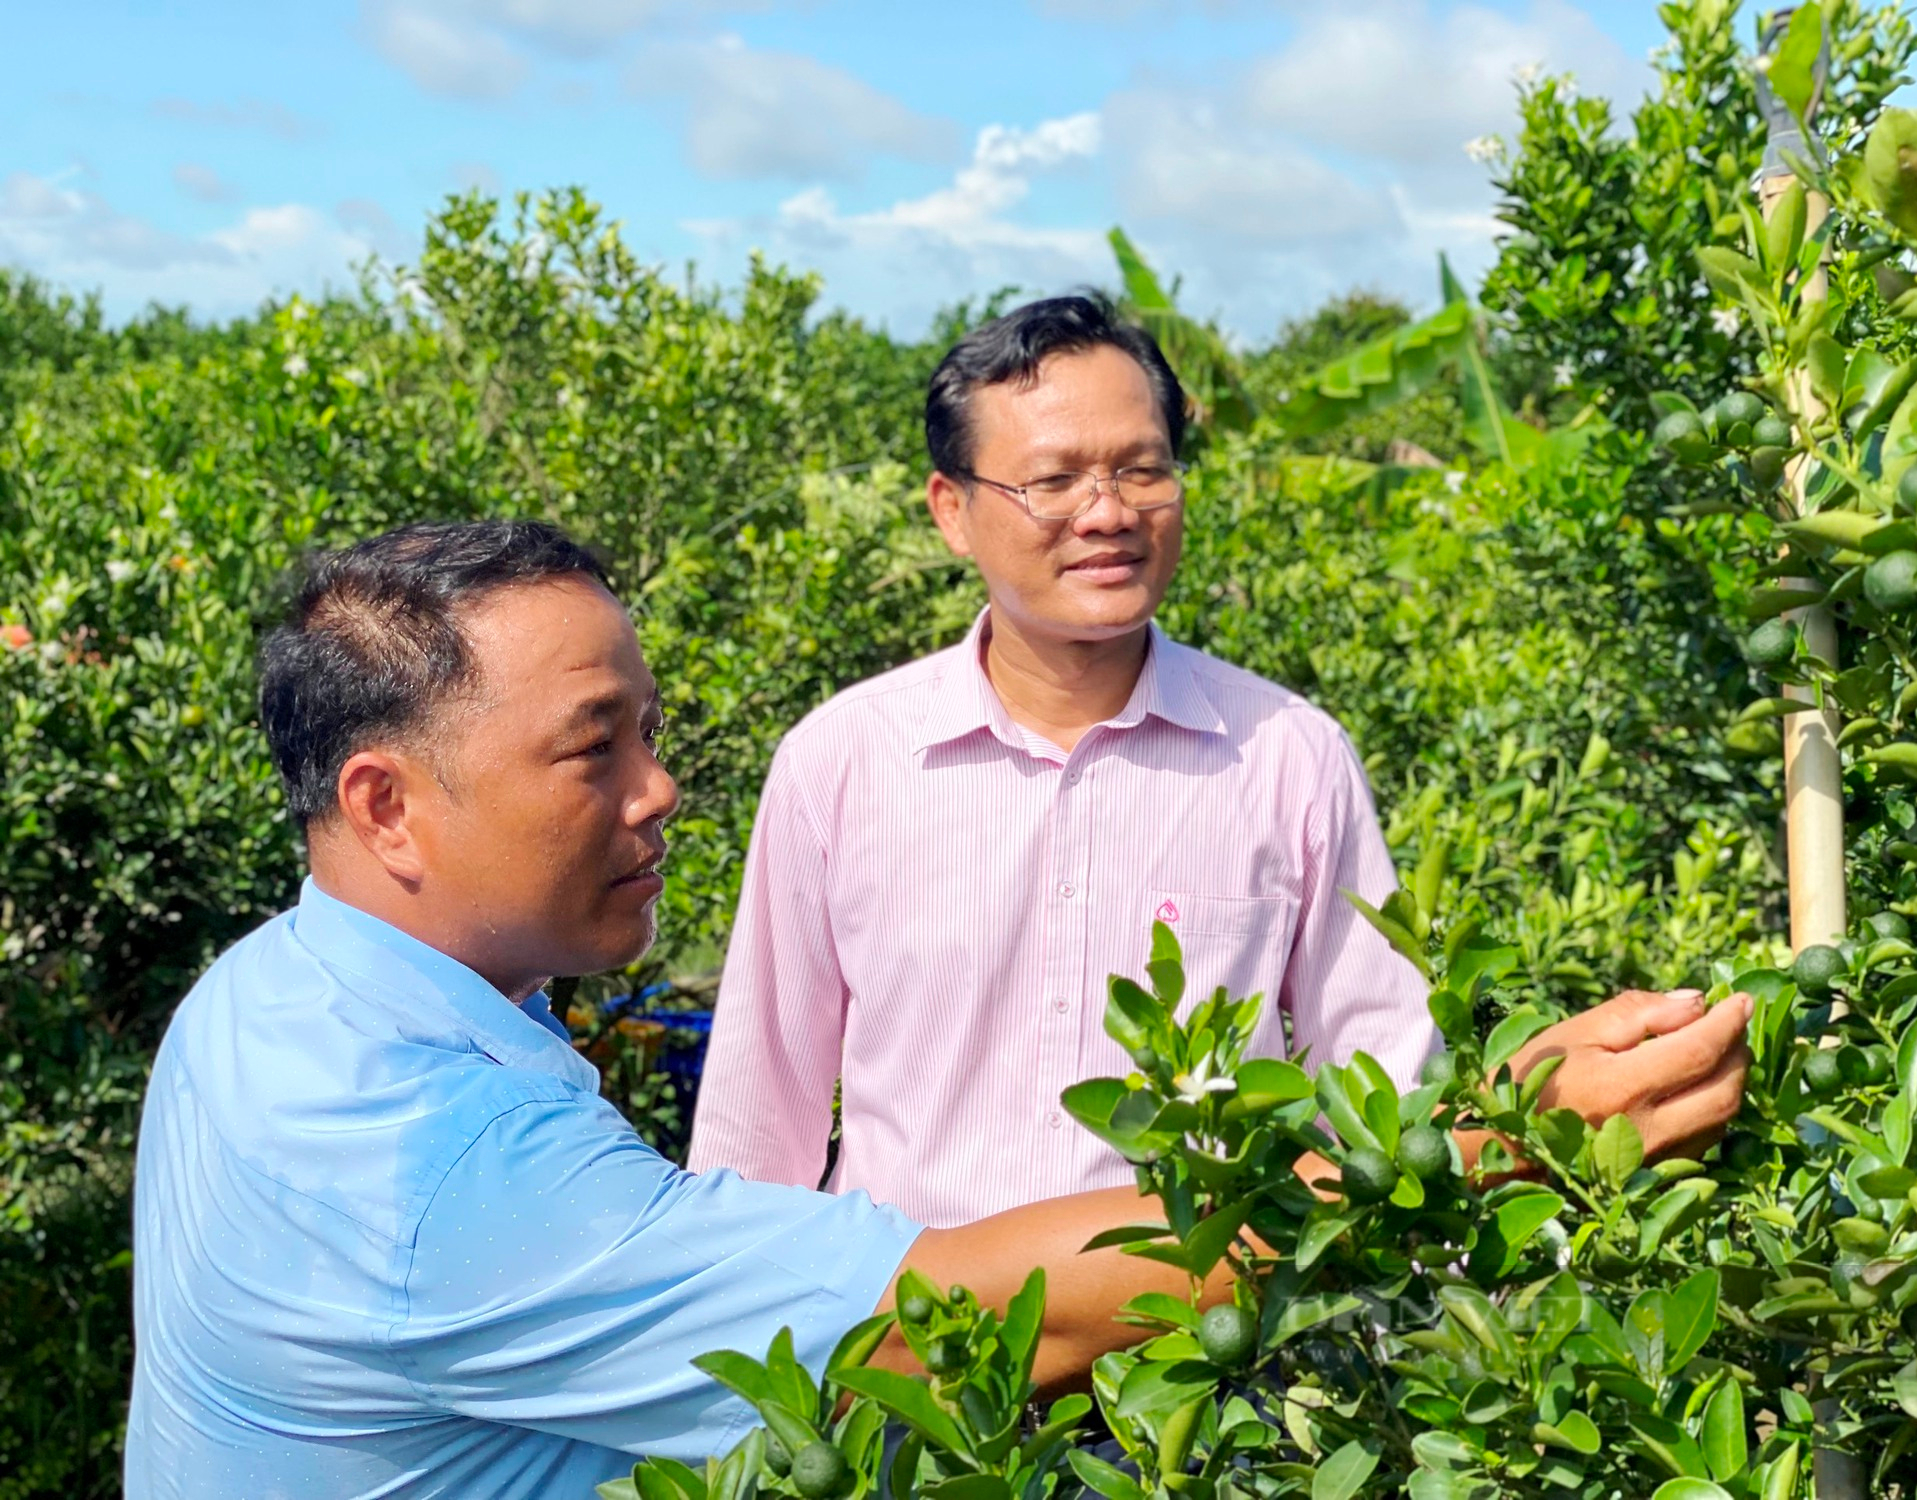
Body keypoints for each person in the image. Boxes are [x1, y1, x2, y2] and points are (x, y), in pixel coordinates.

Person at [126, 518, 1749, 1496]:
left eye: (649, 732)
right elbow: (968, 1312)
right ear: (388, 805)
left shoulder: (276, 999)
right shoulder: (428, 1158)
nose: (663, 791)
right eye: (592, 746)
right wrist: (1482, 1148)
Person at [687, 295, 1746, 1228]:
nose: (1106, 513)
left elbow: (1379, 1090)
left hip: (1216, 1368)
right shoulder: (842, 762)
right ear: (950, 511)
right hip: (922, 1366)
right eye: (1051, 482)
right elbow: (757, 1121)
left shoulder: (1285, 756)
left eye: (1140, 470)